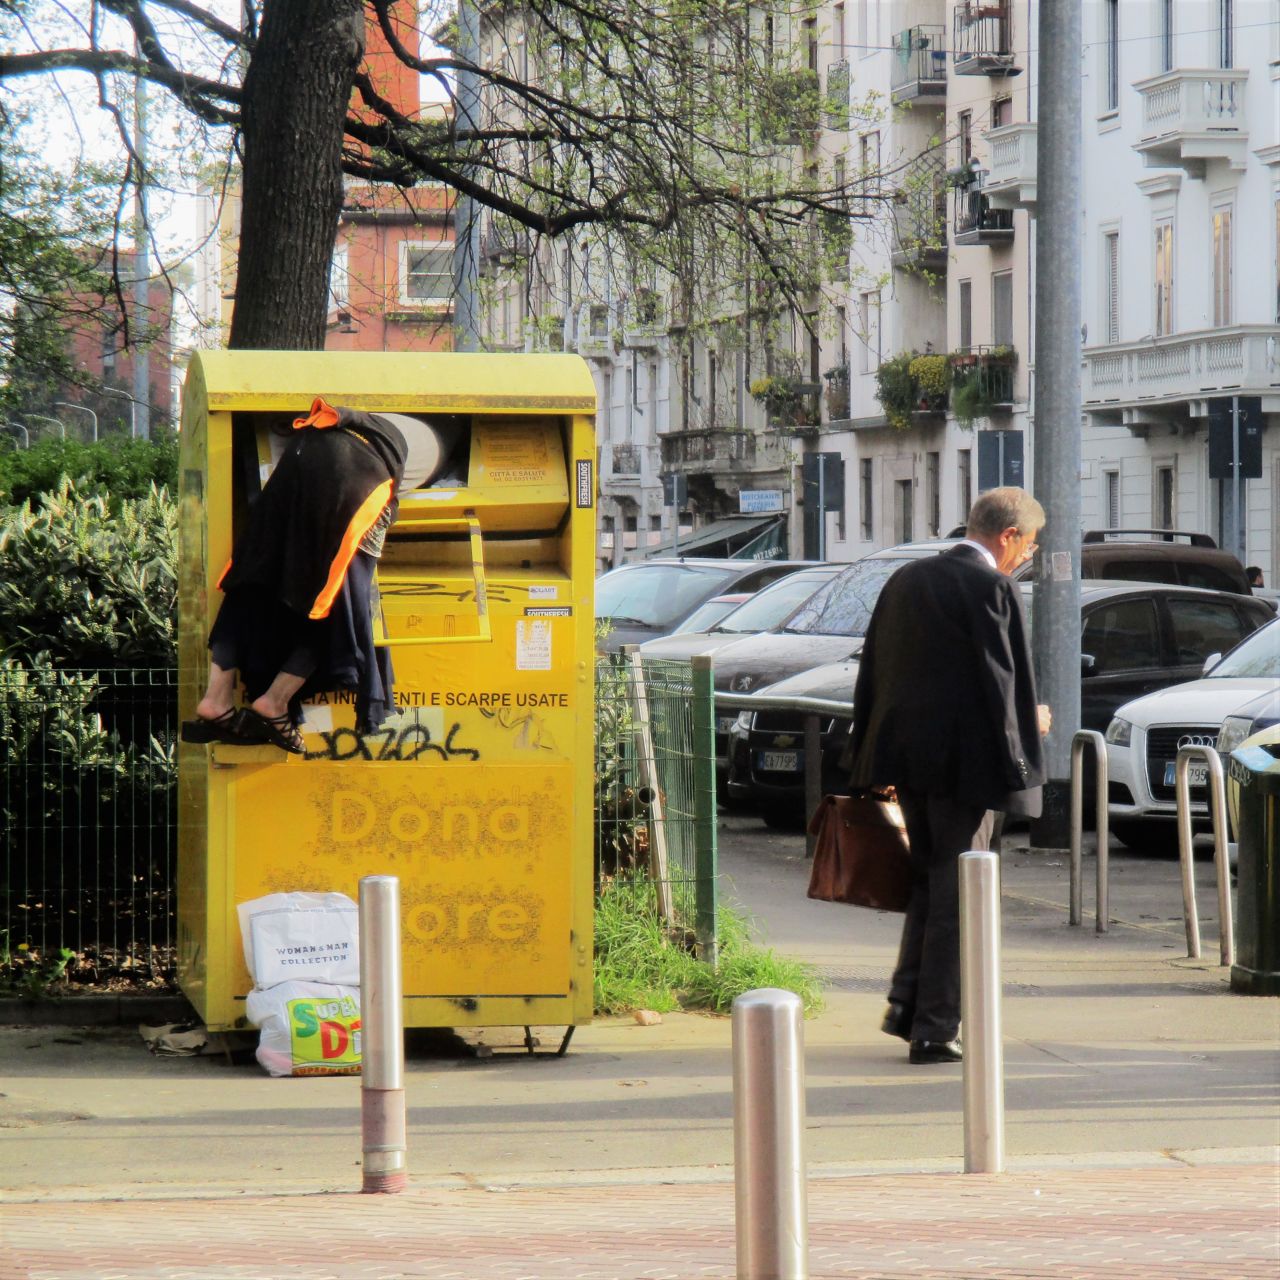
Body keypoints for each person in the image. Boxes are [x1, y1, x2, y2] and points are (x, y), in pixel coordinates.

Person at [846, 487, 1051, 1065]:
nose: (1025, 558)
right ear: (1008, 535)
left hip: (906, 761)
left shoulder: (906, 579)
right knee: (961, 892)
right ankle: (935, 1029)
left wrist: (867, 757)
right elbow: (1000, 682)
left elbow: (875, 671)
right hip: (967, 768)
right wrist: (1024, 747)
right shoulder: (991, 587)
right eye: (1028, 546)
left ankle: (909, 1007)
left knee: (933, 882)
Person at [181, 397, 409, 753]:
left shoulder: (371, 414)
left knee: (254, 577)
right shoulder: (417, 436)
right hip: (360, 469)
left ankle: (216, 699)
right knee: (335, 607)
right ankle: (273, 703)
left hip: (306, 451)